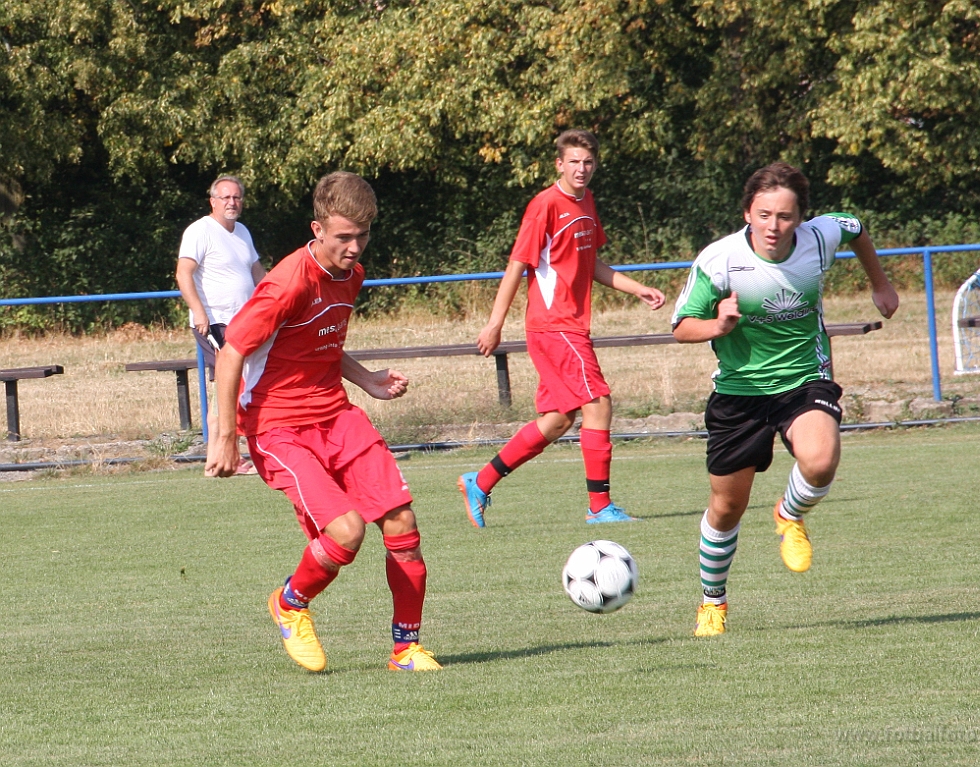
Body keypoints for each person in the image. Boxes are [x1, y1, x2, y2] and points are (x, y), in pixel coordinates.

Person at [204, 171, 441, 673]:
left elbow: (321, 341)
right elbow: (231, 352)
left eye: (363, 236)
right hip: (278, 427)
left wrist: (366, 379)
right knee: (347, 532)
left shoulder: (351, 274)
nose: (354, 248)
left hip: (336, 415)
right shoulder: (287, 281)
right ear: (317, 229)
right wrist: (225, 437)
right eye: (343, 237)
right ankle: (289, 604)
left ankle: (406, 650)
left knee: (403, 524)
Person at [671, 162, 900, 637]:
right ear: (747, 213)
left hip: (804, 380)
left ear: (801, 218)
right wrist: (718, 325)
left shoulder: (819, 238)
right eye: (764, 215)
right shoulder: (719, 260)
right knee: (726, 508)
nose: (774, 226)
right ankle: (713, 602)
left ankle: (789, 514)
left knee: (820, 460)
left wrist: (880, 282)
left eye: (785, 216)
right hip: (740, 393)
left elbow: (856, 227)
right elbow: (681, 327)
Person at [458, 129, 666, 527]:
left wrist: (637, 288)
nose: (581, 169)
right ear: (559, 164)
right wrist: (494, 324)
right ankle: (600, 507)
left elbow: (592, 265)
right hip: (555, 327)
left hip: (569, 328)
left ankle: (479, 482)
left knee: (558, 419)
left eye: (587, 162)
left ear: (595, 165)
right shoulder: (545, 205)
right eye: (573, 162)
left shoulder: (586, 200)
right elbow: (516, 266)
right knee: (598, 403)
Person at [176, 175, 266, 473]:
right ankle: (226, 457)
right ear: (212, 201)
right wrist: (199, 313)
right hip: (217, 322)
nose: (232, 203)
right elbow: (183, 273)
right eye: (226, 197)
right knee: (230, 385)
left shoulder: (242, 231)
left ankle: (216, 459)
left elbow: (257, 273)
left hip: (245, 322)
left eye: (236, 197)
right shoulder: (200, 231)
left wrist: (280, 302)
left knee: (229, 387)